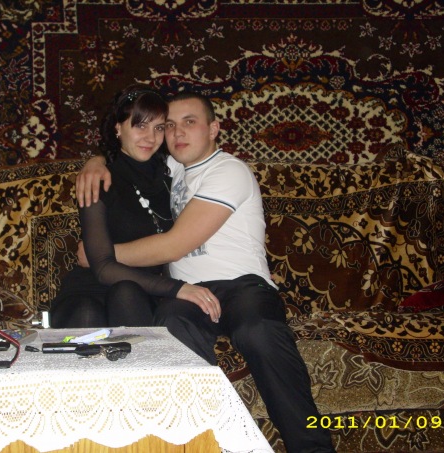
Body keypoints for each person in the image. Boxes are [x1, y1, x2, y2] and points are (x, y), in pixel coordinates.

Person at [76, 92, 335, 452]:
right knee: (170, 329)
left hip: (242, 286)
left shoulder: (229, 171)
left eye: (190, 122)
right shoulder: (171, 168)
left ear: (214, 129)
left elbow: (174, 246)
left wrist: (99, 255)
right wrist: (96, 160)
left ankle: (312, 447)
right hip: (189, 293)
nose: (176, 132)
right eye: (170, 125)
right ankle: (199, 444)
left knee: (258, 331)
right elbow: (131, 150)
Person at [49, 85, 218, 328]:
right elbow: (102, 267)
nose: (150, 137)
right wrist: (177, 288)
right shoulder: (100, 179)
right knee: (88, 312)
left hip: (142, 295)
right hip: (90, 290)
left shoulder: (174, 175)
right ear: (118, 128)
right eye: (140, 125)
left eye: (159, 128)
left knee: (127, 293)